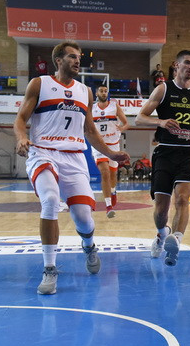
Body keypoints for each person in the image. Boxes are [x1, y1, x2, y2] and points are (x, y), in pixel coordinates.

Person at [13, 41, 130, 295]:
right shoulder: (39, 84)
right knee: (50, 200)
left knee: (84, 219)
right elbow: (21, 118)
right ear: (58, 60)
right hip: (43, 152)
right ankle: (49, 268)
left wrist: (112, 153)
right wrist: (22, 137)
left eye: (79, 57)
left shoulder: (85, 91)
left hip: (74, 157)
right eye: (72, 57)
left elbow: (90, 130)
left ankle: (89, 245)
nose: (78, 61)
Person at [136, 49, 190, 266]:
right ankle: (162, 234)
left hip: (189, 152)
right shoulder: (163, 89)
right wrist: (160, 122)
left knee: (182, 199)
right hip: (165, 152)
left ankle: (176, 241)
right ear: (176, 65)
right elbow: (140, 118)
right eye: (187, 62)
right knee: (161, 209)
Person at [90, 84, 128, 218]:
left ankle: (113, 190)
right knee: (105, 172)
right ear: (96, 93)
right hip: (99, 145)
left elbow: (126, 123)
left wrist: (122, 128)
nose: (104, 93)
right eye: (101, 91)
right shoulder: (91, 109)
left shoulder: (114, 106)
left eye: (106, 91)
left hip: (113, 145)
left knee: (112, 174)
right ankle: (108, 206)